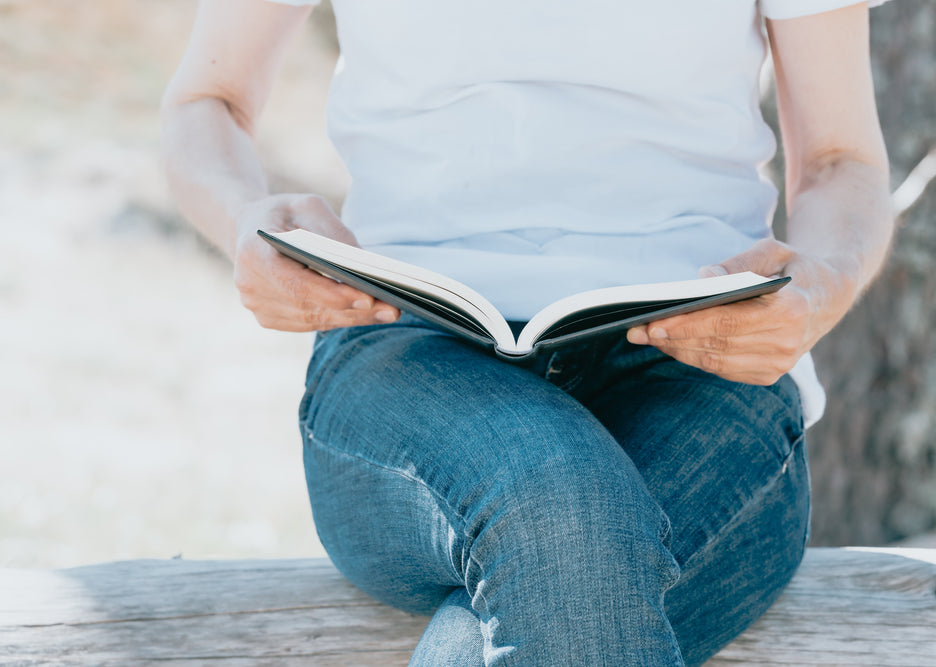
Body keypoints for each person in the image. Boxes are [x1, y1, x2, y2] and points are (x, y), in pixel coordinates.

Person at [161, 0, 894, 664]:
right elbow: (208, 101)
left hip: (704, 362)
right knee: (555, 499)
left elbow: (841, 159)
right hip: (406, 349)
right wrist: (241, 216)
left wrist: (820, 285)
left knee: (481, 637)